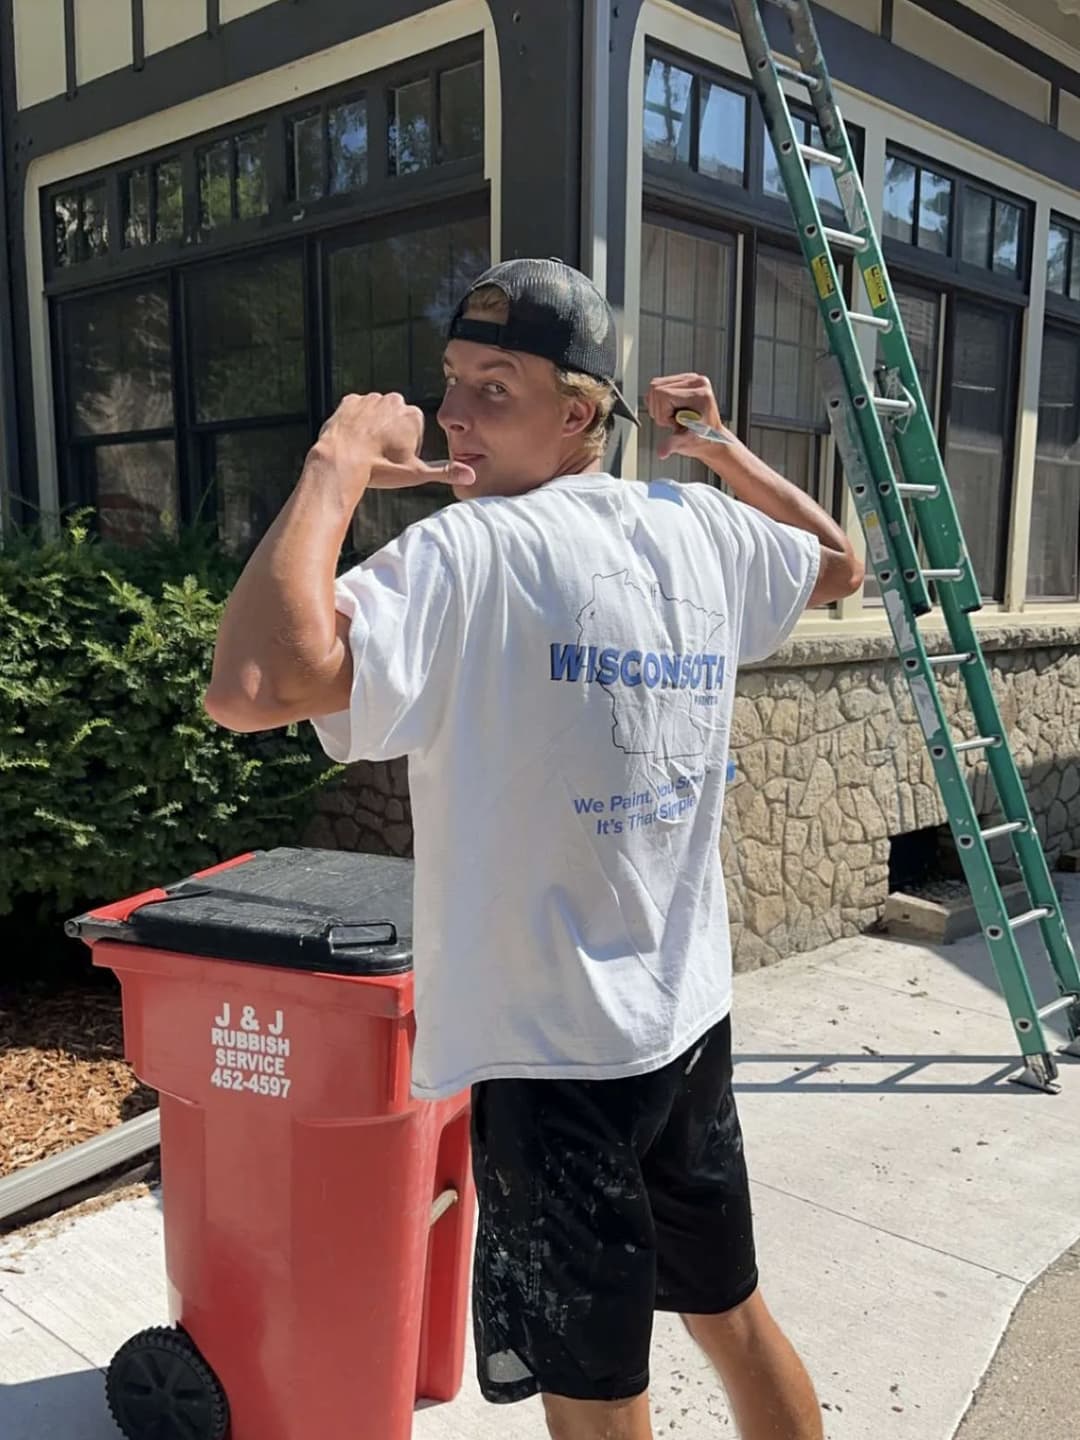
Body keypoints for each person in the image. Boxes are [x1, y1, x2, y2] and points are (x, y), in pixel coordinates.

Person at [205, 258, 863, 1440]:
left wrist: (336, 462)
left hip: (556, 1057)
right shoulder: (698, 522)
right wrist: (720, 450)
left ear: (578, 414)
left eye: (493, 389)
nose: (453, 413)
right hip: (684, 1022)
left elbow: (255, 682)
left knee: (597, 1395)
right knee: (734, 1314)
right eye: (451, 381)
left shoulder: (473, 557)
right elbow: (837, 565)